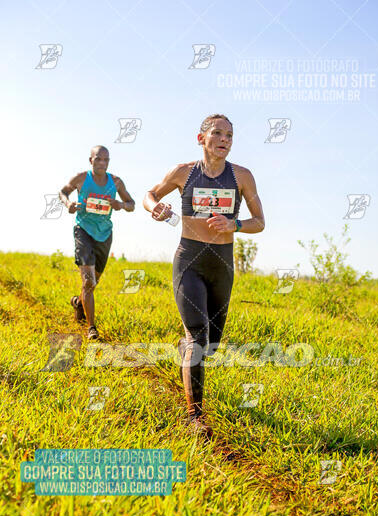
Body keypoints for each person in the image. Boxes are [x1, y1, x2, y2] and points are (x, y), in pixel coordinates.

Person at [143, 114, 265, 436]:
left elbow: (260, 221)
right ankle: (195, 417)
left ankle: (186, 350)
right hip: (189, 261)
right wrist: (155, 207)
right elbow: (150, 194)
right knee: (198, 337)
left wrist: (234, 224)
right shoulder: (183, 172)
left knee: (210, 346)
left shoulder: (242, 177)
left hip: (222, 265)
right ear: (202, 139)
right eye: (217, 133)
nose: (224, 139)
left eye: (229, 135)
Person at [59, 145, 135, 339]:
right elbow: (63, 192)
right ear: (90, 160)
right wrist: (69, 204)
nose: (102, 163)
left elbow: (131, 204)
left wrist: (121, 205)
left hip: (104, 234)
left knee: (93, 283)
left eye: (106, 160)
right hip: (83, 230)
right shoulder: (81, 178)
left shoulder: (116, 182)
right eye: (98, 159)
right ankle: (91, 327)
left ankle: (78, 302)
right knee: (88, 280)